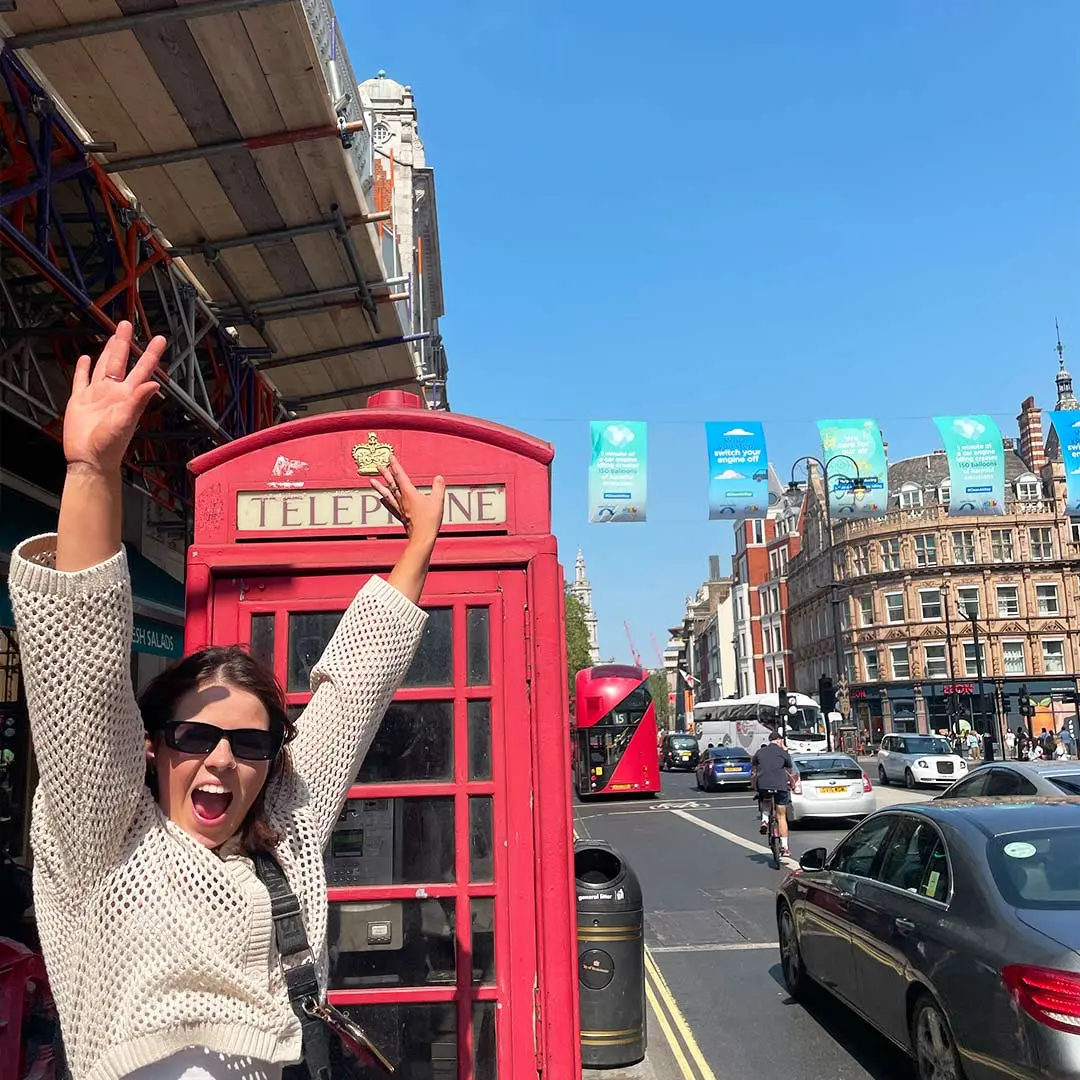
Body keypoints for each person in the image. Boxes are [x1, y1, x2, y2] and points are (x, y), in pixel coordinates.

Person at [8, 323, 445, 1080]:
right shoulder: (107, 837)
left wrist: (419, 548)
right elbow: (81, 677)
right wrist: (89, 471)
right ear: (153, 743)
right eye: (194, 736)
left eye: (248, 745)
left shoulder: (287, 835)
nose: (220, 761)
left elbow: (352, 694)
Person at [751, 731, 794, 858]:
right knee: (781, 816)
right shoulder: (782, 752)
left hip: (764, 785)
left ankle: (764, 820)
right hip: (780, 787)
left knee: (765, 800)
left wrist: (755, 786)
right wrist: (785, 751)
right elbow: (789, 769)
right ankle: (785, 847)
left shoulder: (760, 752)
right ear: (779, 740)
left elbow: (754, 770)